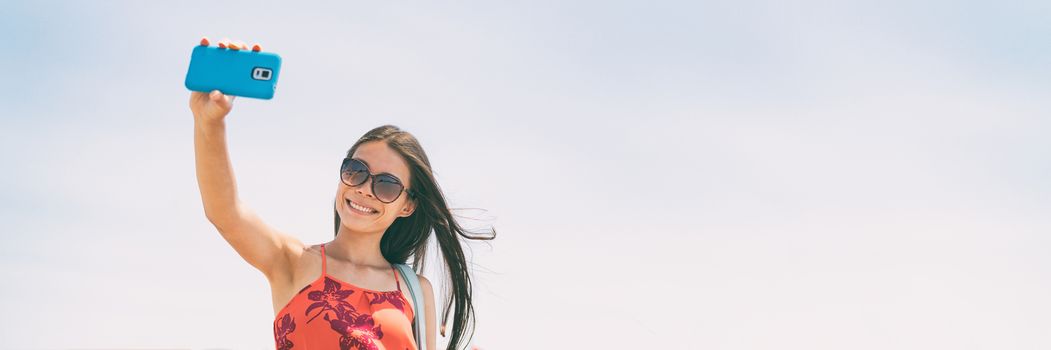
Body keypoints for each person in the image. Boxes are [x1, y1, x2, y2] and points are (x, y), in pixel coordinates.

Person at [190, 37, 495, 350]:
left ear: (408, 205)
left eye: (386, 184)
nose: (364, 189)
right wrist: (210, 123)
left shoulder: (416, 289)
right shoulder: (293, 261)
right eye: (356, 171)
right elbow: (225, 212)